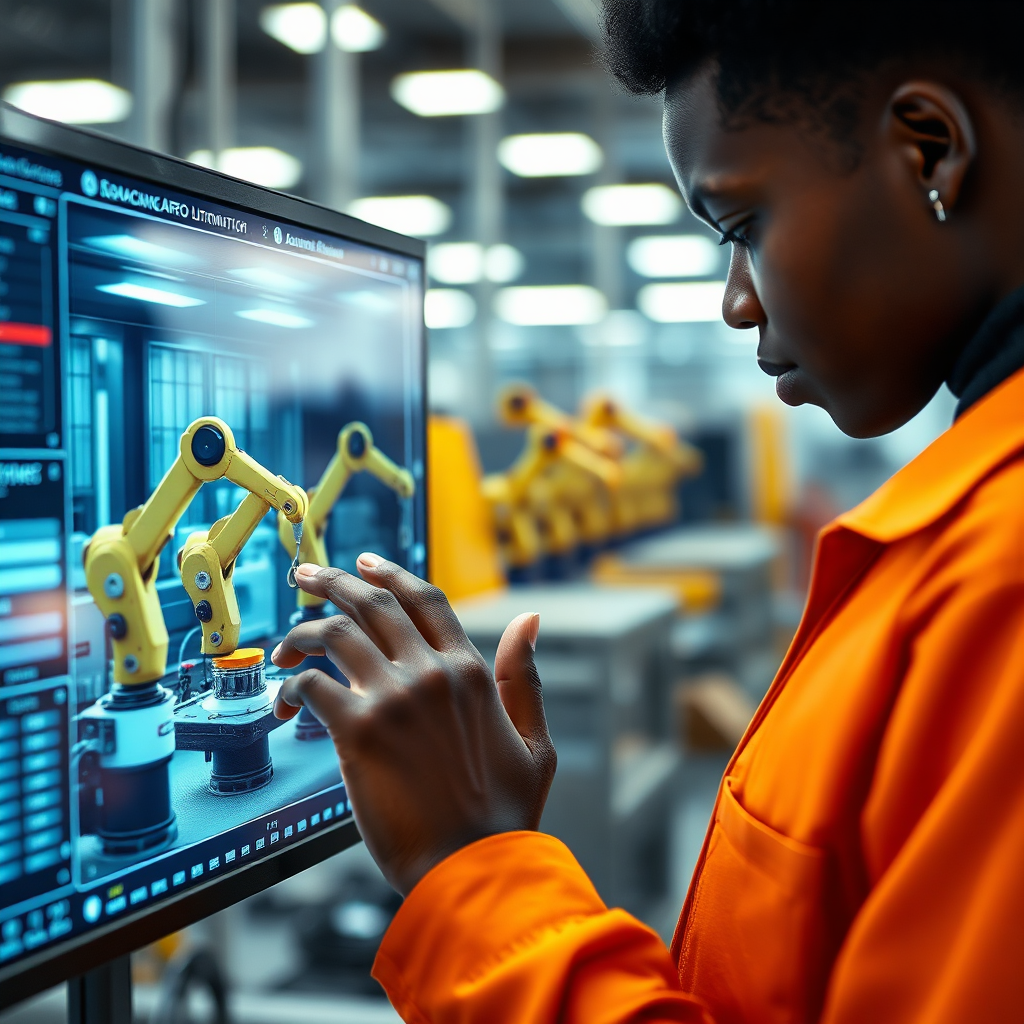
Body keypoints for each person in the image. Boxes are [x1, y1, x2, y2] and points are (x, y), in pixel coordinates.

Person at [270, 1, 1024, 1020]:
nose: (736, 301)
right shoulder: (961, 555)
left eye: (743, 225)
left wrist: (473, 874)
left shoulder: (998, 586)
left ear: (929, 151)